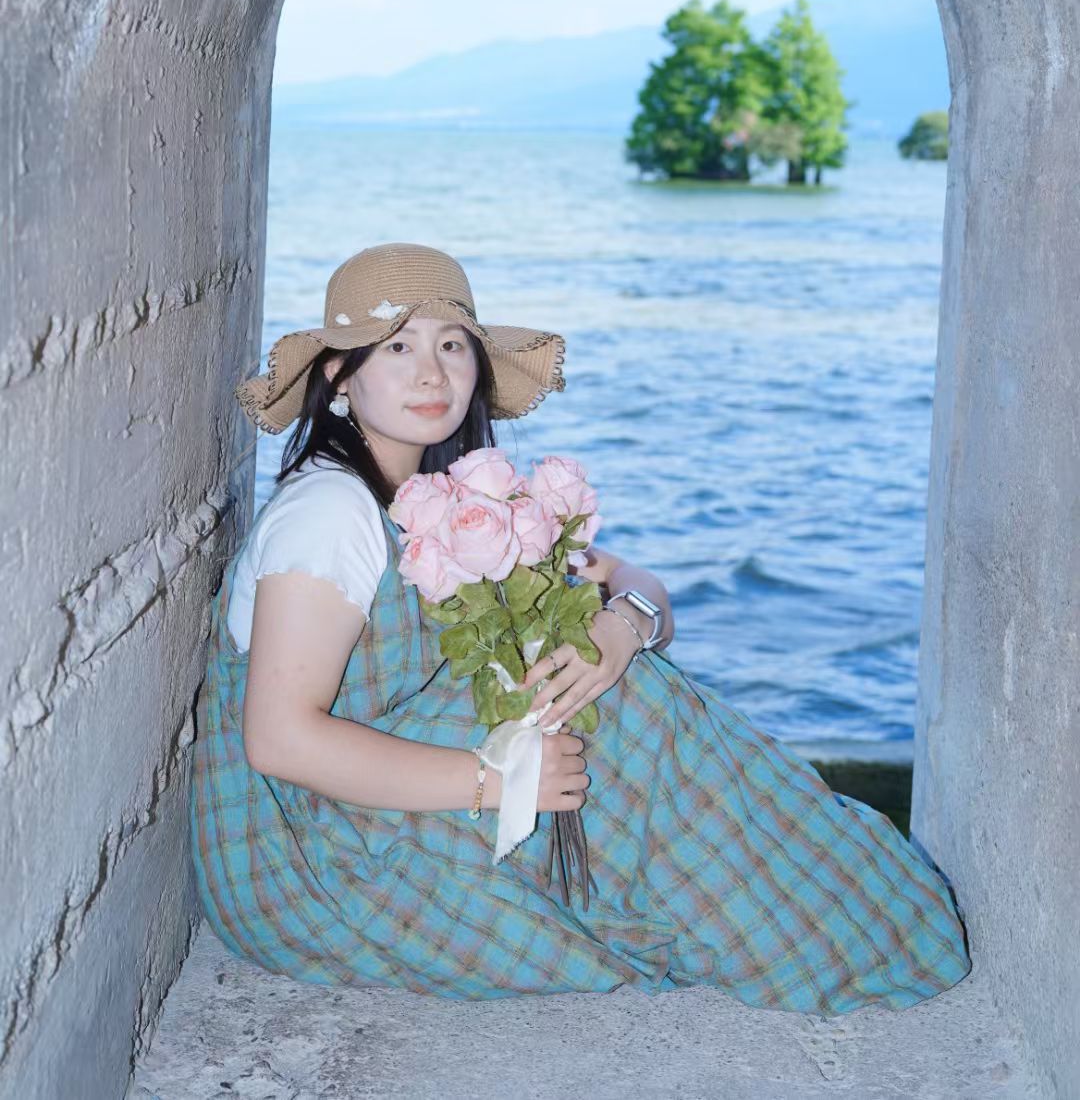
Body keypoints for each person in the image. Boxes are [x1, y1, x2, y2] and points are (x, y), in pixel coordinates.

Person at [190, 241, 972, 1006]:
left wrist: (622, 629)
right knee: (627, 722)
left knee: (618, 686)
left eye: (452, 345)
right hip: (316, 851)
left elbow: (636, 584)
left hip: (389, 791)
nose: (432, 372)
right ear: (338, 376)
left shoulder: (443, 499)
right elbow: (280, 741)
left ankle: (825, 901)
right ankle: (836, 922)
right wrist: (499, 783)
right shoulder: (330, 512)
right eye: (397, 346)